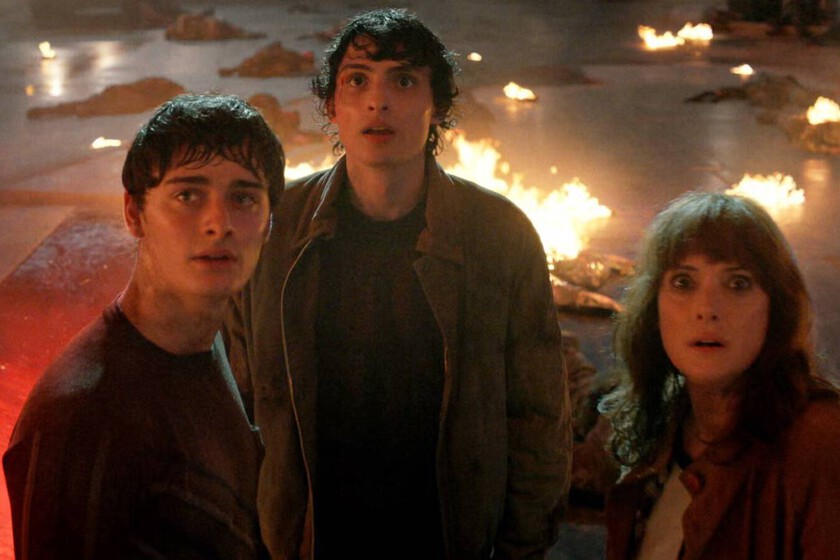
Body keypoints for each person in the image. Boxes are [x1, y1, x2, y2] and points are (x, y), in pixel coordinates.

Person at [224, 8, 572, 560]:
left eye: (403, 81)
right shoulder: (276, 230)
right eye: (357, 80)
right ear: (332, 106)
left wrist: (518, 547)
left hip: (445, 537)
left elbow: (538, 418)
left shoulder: (499, 235)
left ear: (439, 106)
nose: (377, 102)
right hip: (313, 537)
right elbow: (235, 406)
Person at [3, 93, 284, 559]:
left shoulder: (211, 342)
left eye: (243, 198)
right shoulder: (82, 420)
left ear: (269, 222)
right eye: (188, 195)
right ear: (134, 214)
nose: (219, 223)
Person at [600, 191, 840, 559]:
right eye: (683, 282)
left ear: (776, 307)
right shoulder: (662, 426)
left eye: (738, 283)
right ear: (654, 307)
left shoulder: (822, 446)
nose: (707, 309)